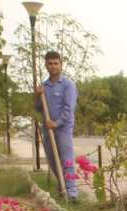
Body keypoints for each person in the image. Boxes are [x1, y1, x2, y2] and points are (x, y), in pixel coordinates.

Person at [34, 50, 78, 200]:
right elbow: (39, 108)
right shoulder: (44, 86)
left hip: (63, 128)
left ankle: (72, 194)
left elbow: (69, 109)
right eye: (50, 63)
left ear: (60, 65)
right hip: (48, 128)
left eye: (56, 63)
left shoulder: (68, 85)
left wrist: (57, 123)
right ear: (46, 65)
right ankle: (62, 188)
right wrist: (37, 95)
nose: (53, 66)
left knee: (67, 161)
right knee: (53, 161)